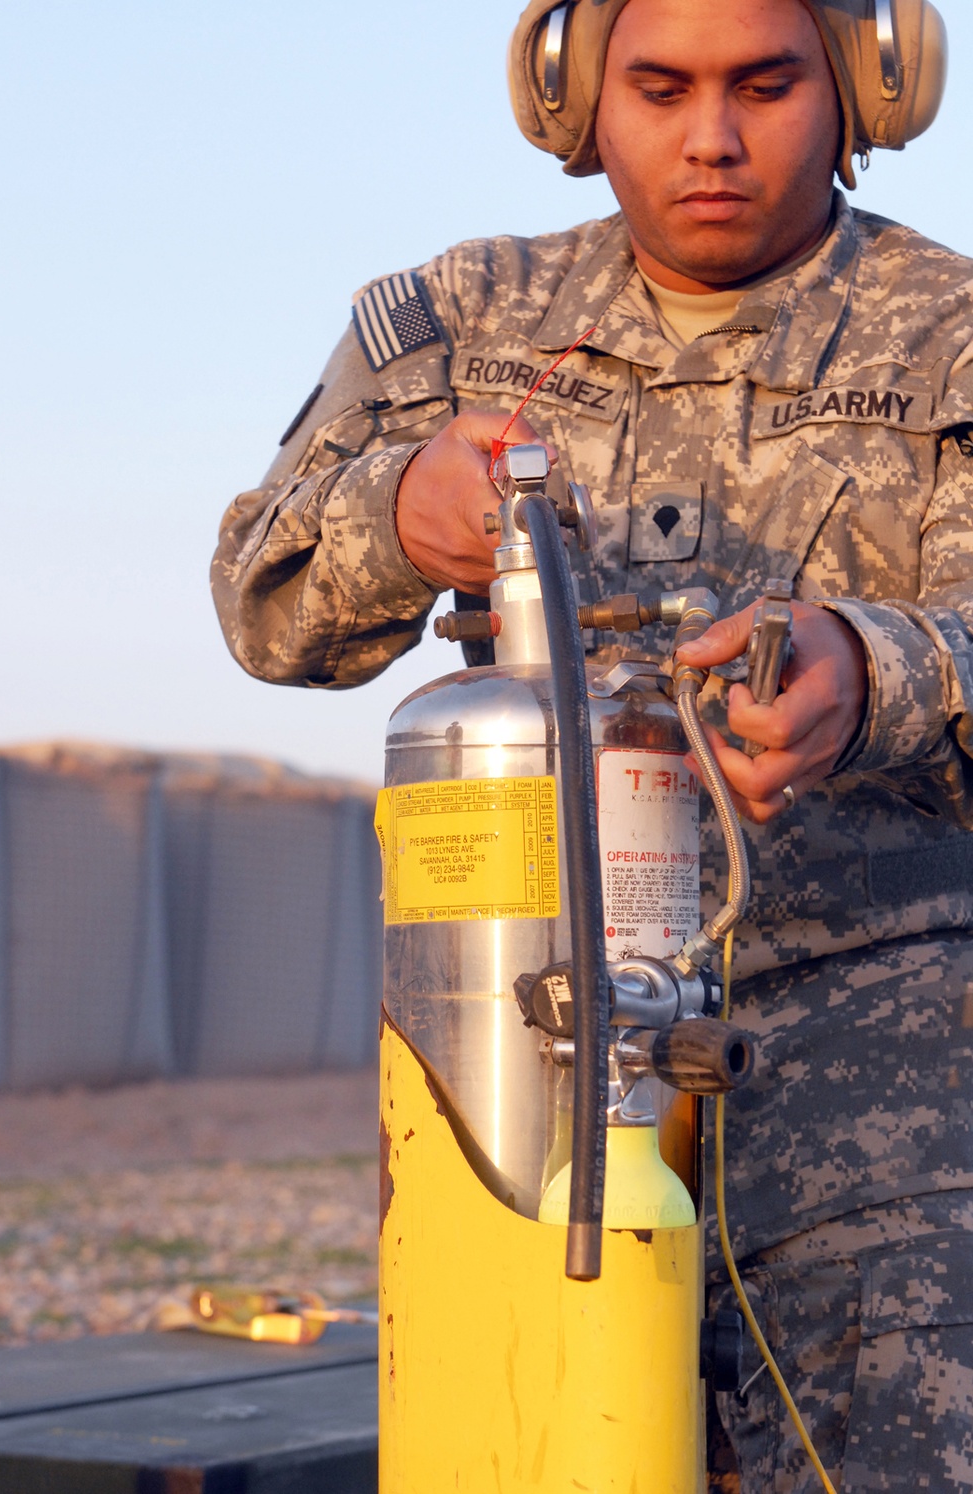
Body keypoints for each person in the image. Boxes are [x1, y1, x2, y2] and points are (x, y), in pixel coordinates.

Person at [212, 1, 973, 1487]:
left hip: (880, 1072)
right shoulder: (456, 324)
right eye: (660, 87)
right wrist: (396, 513)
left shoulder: (953, 345)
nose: (712, 138)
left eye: (765, 85)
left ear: (867, 85)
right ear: (570, 94)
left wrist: (873, 666)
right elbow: (263, 603)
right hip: (510, 1054)